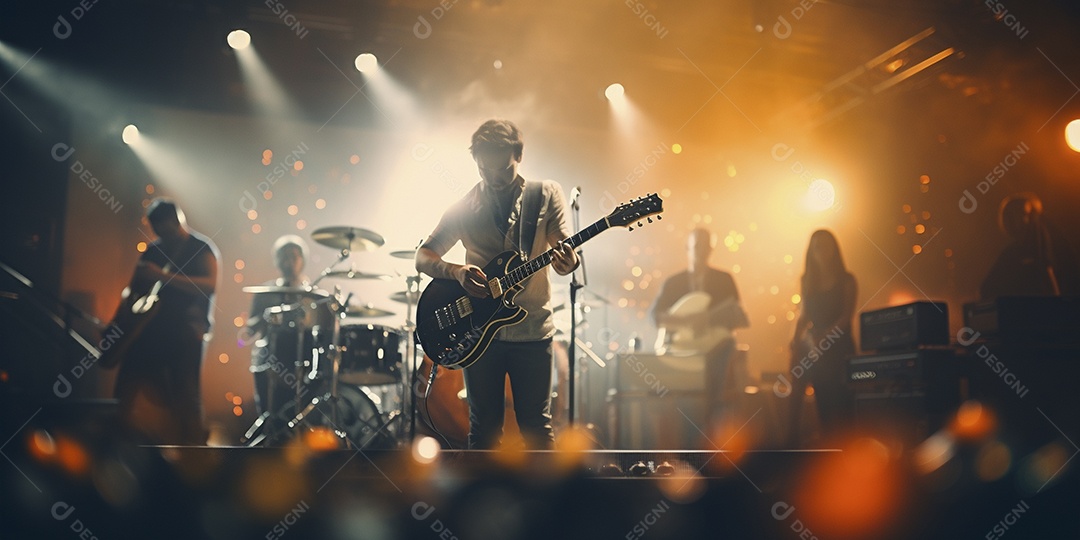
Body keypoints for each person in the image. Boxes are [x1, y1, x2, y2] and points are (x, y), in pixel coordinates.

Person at [415, 119, 578, 450]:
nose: (493, 180)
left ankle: (542, 501)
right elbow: (423, 256)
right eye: (484, 171)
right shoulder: (464, 206)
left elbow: (564, 248)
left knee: (536, 426)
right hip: (478, 335)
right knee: (484, 429)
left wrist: (568, 260)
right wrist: (457, 271)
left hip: (533, 328)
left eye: (501, 171)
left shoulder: (545, 194)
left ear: (518, 156)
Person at [109, 198, 218, 444]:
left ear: (176, 220)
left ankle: (193, 450)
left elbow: (210, 285)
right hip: (150, 329)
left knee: (186, 392)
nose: (157, 232)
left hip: (186, 331)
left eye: (161, 226)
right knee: (129, 381)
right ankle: (118, 440)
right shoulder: (153, 250)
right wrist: (117, 322)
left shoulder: (201, 248)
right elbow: (132, 290)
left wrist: (163, 276)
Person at [650, 228, 749, 428]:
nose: (701, 251)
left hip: (716, 348)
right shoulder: (673, 283)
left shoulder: (724, 279)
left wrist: (708, 319)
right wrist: (687, 321)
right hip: (683, 349)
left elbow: (738, 316)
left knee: (723, 356)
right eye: (697, 246)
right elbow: (655, 316)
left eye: (705, 246)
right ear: (688, 248)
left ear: (711, 250)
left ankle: (714, 419)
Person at [787, 229, 856, 447]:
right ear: (811, 252)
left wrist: (825, 337)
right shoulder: (807, 280)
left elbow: (846, 317)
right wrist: (794, 341)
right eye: (816, 247)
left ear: (835, 249)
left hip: (838, 347)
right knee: (804, 398)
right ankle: (794, 451)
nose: (821, 251)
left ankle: (843, 451)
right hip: (813, 347)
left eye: (826, 245)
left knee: (839, 401)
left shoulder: (847, 280)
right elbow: (804, 315)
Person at [246, 235, 313, 419]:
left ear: (303, 260)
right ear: (276, 260)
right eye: (283, 256)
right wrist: (266, 318)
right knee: (271, 414)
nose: (289, 261)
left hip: (305, 363)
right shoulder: (265, 293)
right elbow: (249, 330)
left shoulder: (313, 295)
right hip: (271, 361)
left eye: (294, 256)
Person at [980, 192, 1065, 300]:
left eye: (1026, 214)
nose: (1025, 220)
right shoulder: (1011, 252)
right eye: (1014, 216)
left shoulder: (1039, 238)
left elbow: (1047, 271)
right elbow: (986, 288)